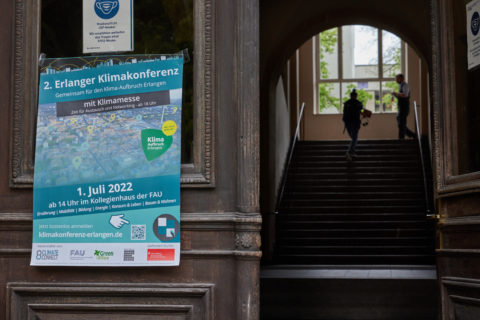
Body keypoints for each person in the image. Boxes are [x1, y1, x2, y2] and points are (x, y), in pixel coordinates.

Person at [392, 74, 415, 139]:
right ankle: (411, 135)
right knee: (400, 124)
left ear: (401, 78)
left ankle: (402, 138)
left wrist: (396, 93)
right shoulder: (400, 86)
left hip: (404, 107)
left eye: (397, 79)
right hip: (401, 107)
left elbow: (405, 95)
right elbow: (401, 96)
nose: (396, 80)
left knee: (401, 124)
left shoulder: (405, 85)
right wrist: (396, 95)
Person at [343, 89, 363, 161]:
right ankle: (350, 152)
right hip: (355, 123)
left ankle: (352, 152)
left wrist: (345, 122)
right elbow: (361, 111)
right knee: (354, 138)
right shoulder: (358, 103)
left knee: (353, 138)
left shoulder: (347, 103)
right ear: (356, 96)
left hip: (348, 123)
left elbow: (344, 115)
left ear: (350, 96)